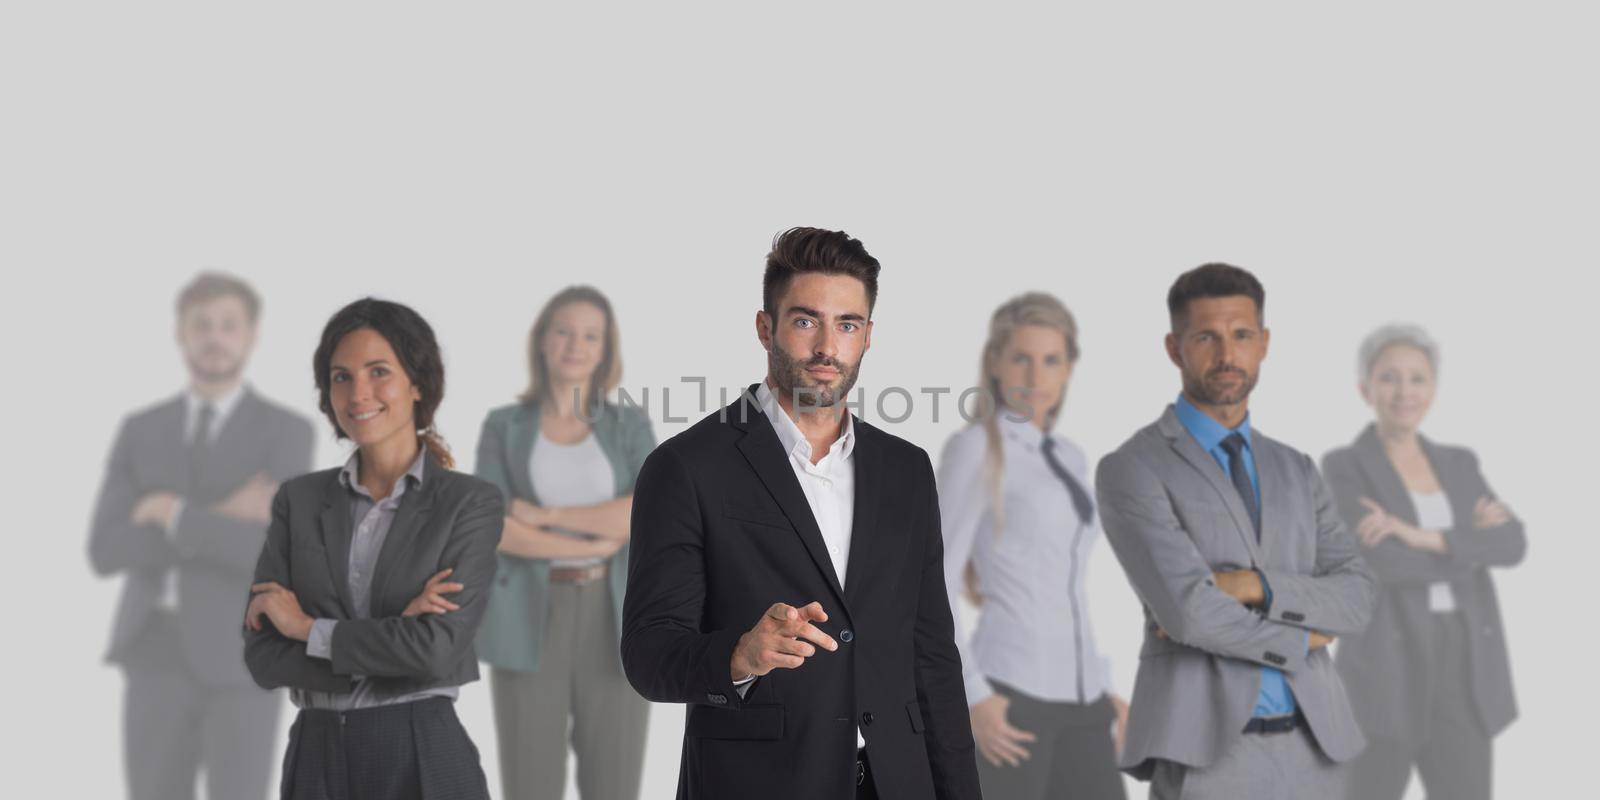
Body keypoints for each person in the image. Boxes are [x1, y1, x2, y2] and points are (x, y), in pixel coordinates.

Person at [620, 227, 982, 800]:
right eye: (806, 320)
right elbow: (647, 653)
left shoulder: (907, 471)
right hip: (757, 784)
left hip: (899, 782)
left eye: (847, 325)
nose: (826, 349)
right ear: (766, 328)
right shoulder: (686, 467)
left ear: (867, 337)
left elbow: (932, 656)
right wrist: (739, 655)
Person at [1094, 263, 1378, 799]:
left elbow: (1357, 597)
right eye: (1207, 337)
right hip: (1208, 757)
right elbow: (1189, 612)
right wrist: (1302, 639)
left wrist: (1255, 587)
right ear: (1174, 347)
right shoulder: (1133, 467)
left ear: (1264, 343)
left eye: (1242, 335)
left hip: (1317, 749)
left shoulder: (1296, 468)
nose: (1227, 354)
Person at [242, 298, 503, 800]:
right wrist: (395, 634)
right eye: (341, 376)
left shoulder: (468, 504)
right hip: (316, 755)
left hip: (419, 748)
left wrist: (305, 629)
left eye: (378, 371)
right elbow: (264, 656)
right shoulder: (299, 501)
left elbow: (435, 651)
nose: (358, 392)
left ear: (417, 383)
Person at [88, 272, 315, 800]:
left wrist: (169, 512)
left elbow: (270, 554)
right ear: (181, 334)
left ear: (253, 334)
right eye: (202, 325)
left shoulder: (286, 433)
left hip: (241, 656)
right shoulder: (141, 429)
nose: (215, 337)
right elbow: (106, 549)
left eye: (228, 325)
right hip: (153, 654)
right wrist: (217, 514)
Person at [1321, 324, 1524, 800]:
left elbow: (1513, 544)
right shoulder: (1345, 465)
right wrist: (1469, 546)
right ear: (1365, 388)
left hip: (1465, 660)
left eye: (1418, 379)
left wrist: (1420, 535)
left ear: (1433, 388)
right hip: (1385, 664)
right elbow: (1385, 563)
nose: (1404, 392)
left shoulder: (1459, 463)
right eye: (1389, 378)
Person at [937, 292, 1128, 799]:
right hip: (1011, 695)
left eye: (1051, 360)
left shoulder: (1070, 455)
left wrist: (1106, 690)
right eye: (1021, 357)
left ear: (1069, 369)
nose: (1035, 376)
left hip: (1084, 698)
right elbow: (933, 584)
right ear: (995, 362)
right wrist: (973, 696)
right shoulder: (976, 448)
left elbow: (1066, 587)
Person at [474, 286, 656, 800]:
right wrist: (600, 533)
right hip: (527, 619)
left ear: (605, 349)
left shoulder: (628, 425)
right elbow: (492, 524)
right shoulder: (503, 426)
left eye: (590, 335)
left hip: (615, 615)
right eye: (563, 331)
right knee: (530, 783)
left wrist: (546, 517)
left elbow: (652, 514)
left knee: (614, 784)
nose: (575, 345)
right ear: (541, 341)